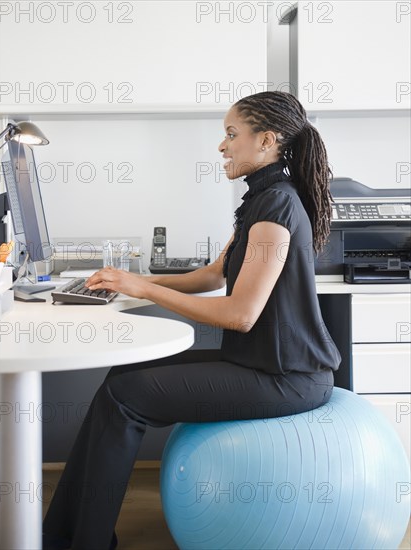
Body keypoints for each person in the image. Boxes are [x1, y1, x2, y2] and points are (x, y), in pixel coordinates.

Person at [43, 91, 341, 550]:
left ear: (266, 140)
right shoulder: (260, 201)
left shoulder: (276, 206)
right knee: (121, 378)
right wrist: (131, 279)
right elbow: (211, 275)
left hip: (288, 377)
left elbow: (240, 315)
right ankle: (61, 534)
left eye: (230, 134)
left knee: (125, 397)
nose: (221, 147)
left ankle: (87, 542)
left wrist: (148, 291)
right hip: (261, 365)